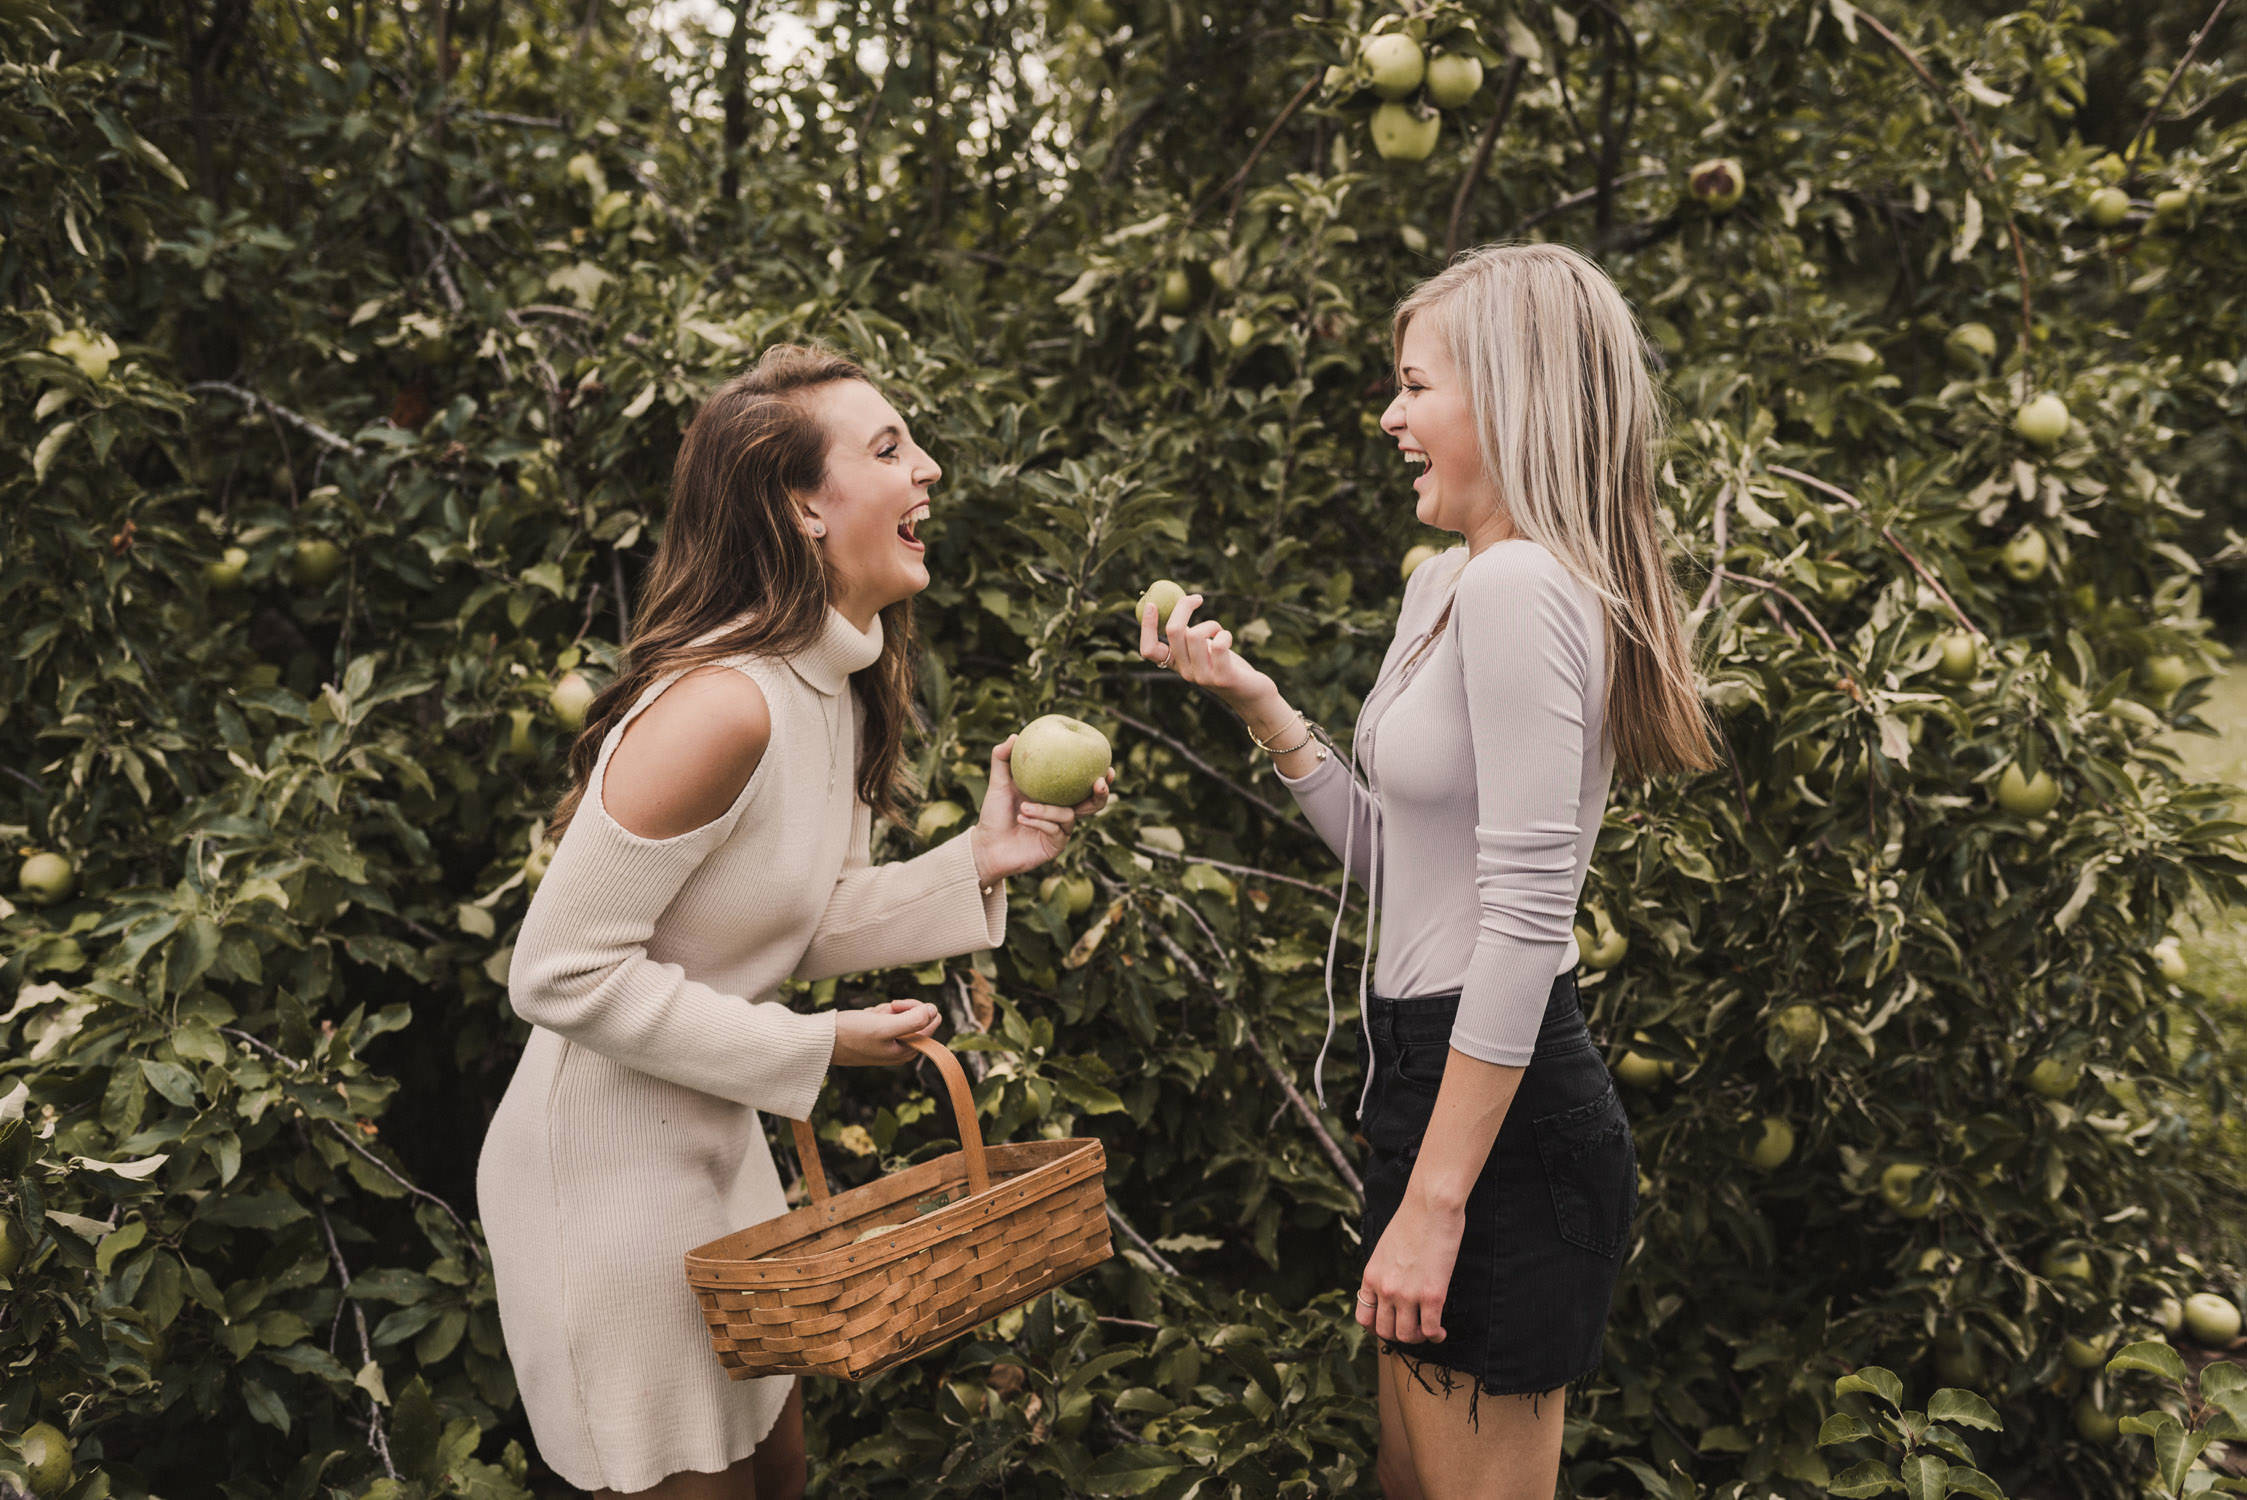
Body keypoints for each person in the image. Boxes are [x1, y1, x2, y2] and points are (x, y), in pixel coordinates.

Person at [478, 343, 1110, 1499]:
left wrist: (983, 858)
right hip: (606, 1186)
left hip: (718, 1155)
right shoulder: (722, 707)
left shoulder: (832, 686)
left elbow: (794, 922)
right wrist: (816, 1047)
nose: (927, 470)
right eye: (888, 449)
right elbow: (557, 974)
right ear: (801, 505)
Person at [1138, 242, 1717, 1500]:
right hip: (1431, 1082)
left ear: (1509, 396)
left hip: (1492, 1115)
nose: (1391, 417)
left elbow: (1523, 919)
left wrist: (1439, 1201)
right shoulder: (1449, 583)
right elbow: (1402, 869)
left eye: (1415, 387)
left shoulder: (1519, 586)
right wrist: (1260, 706)